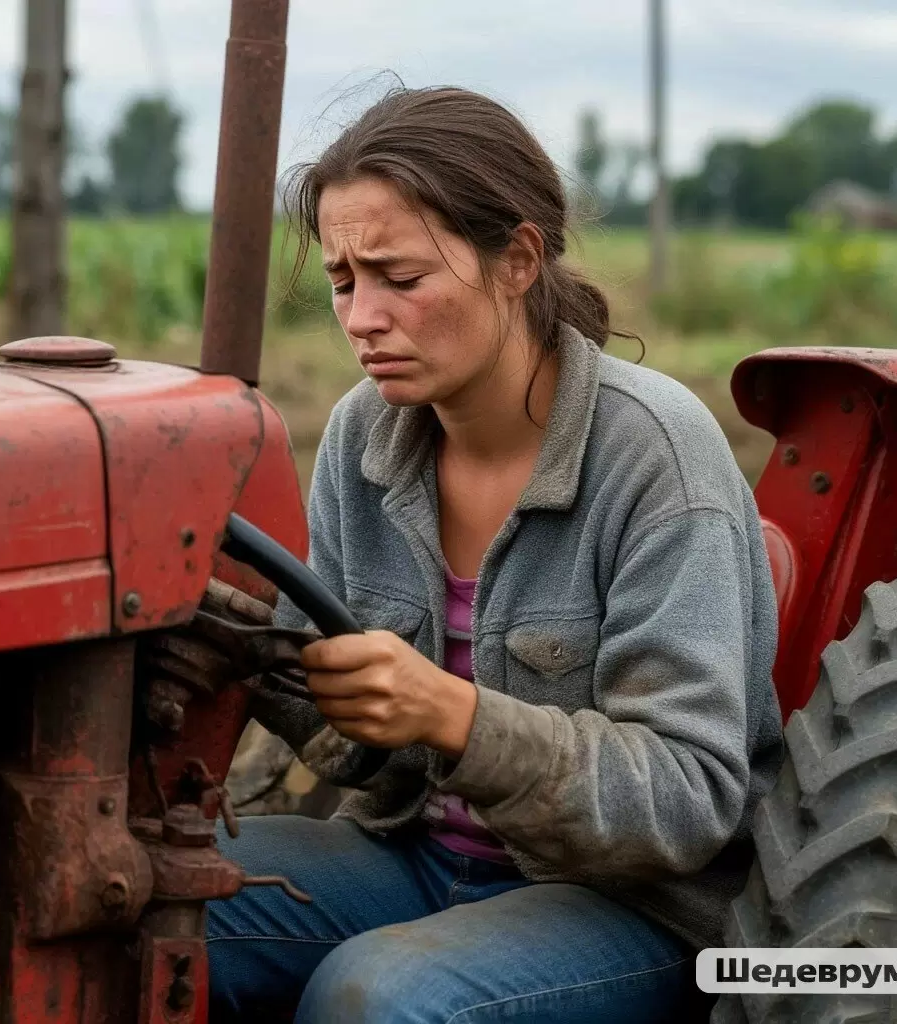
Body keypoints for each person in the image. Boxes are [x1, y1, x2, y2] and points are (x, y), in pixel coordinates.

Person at [205, 85, 783, 1024]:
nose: (360, 319)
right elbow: (359, 754)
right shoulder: (365, 438)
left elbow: (688, 797)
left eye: (401, 278)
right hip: (411, 853)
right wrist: (236, 649)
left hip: (628, 906)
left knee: (376, 999)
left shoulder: (654, 457)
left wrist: (454, 715)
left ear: (516, 260)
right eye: (346, 283)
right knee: (151, 905)